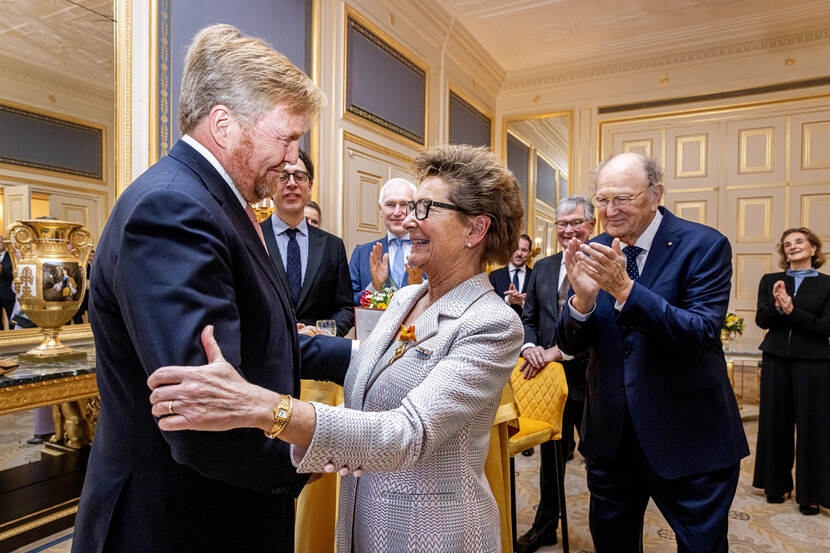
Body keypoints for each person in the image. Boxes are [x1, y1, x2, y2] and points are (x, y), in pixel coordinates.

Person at [148, 144, 525, 553]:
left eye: (426, 208)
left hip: (435, 534)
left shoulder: (492, 323)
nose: (409, 221)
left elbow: (406, 433)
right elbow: (362, 398)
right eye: (412, 206)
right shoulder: (404, 300)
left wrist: (263, 408)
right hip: (362, 522)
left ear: (476, 229)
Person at [72, 24, 351, 553]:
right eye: (287, 137)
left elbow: (258, 337)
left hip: (212, 510)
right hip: (178, 522)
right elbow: (197, 409)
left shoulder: (213, 203)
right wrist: (300, 462)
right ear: (224, 124)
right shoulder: (173, 209)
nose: (295, 158)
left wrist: (356, 356)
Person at [557, 153, 748, 552]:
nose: (609, 211)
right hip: (611, 437)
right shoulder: (593, 249)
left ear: (655, 194)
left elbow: (699, 333)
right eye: (602, 199)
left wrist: (625, 291)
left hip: (690, 435)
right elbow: (571, 344)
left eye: (622, 199)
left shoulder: (704, 245)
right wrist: (583, 302)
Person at [516, 195, 594, 552]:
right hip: (548, 382)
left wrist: (557, 351)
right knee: (550, 465)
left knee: (600, 462)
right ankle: (545, 526)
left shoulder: (605, 263)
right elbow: (529, 317)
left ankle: (609, 532)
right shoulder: (544, 268)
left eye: (576, 222)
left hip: (594, 378)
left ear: (592, 225)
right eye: (562, 224)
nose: (568, 230)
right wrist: (529, 346)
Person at [753, 227, 830, 516]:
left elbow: (826, 327)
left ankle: (811, 495)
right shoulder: (771, 280)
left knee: (813, 428)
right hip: (776, 359)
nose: (792, 247)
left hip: (814, 363)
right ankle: (776, 485)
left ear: (813, 249)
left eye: (799, 242)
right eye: (787, 244)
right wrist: (777, 306)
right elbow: (762, 320)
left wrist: (791, 311)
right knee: (775, 423)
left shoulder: (827, 284)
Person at [261, 149, 354, 336]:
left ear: (310, 186)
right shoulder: (252, 237)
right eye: (283, 177)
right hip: (268, 356)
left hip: (320, 355)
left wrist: (322, 333)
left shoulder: (332, 247)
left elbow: (346, 308)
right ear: (270, 187)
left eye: (300, 176)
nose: (292, 183)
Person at [349, 177, 422, 305]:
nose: (397, 212)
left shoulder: (431, 251)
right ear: (380, 209)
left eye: (404, 204)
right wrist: (374, 287)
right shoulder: (361, 254)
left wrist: (420, 287)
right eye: (390, 204)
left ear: (415, 208)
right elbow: (349, 304)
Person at [488, 234, 532, 316]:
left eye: (524, 250)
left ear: (529, 253)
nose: (519, 253)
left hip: (526, 327)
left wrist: (522, 303)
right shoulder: (494, 276)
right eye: (516, 249)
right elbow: (488, 306)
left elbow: (541, 309)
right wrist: (508, 299)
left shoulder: (535, 276)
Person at [72, 249, 94, 324]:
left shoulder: (95, 266)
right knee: (78, 314)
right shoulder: (81, 266)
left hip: (91, 294)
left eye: (92, 256)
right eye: (90, 256)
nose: (91, 257)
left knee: (91, 313)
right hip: (82, 293)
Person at [0, 236, 14, 329]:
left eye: (0, 242)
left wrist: (3, 270)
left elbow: (14, 276)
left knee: (12, 321)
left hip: (8, 295)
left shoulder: (12, 257)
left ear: (5, 243)